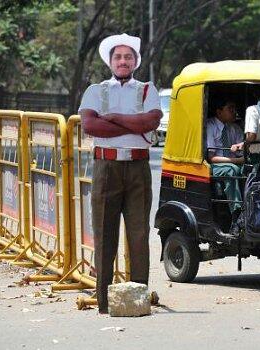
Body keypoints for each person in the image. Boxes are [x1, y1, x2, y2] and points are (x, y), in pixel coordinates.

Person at [79, 33, 162, 313]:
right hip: (106, 168)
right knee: (105, 234)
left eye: (128, 57)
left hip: (138, 167)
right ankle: (104, 302)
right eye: (118, 57)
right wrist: (134, 126)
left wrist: (113, 118)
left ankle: (137, 300)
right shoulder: (96, 90)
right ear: (110, 61)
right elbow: (91, 126)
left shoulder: (147, 89)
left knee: (139, 234)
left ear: (136, 61)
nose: (123, 61)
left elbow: (152, 120)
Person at [206, 97, 244, 220]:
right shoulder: (210, 126)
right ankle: (236, 214)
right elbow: (211, 158)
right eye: (230, 109)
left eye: (234, 109)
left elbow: (240, 152)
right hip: (216, 165)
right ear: (219, 112)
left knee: (249, 170)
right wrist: (235, 161)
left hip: (233, 162)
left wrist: (241, 153)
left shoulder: (235, 128)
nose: (234, 112)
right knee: (231, 170)